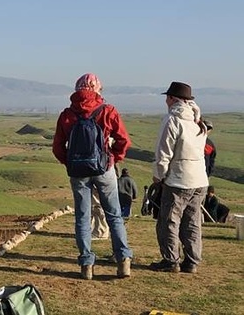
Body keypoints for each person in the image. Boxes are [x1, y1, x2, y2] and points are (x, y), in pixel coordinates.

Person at [52, 73, 133, 280]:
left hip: (78, 172)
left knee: (82, 217)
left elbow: (58, 147)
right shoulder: (107, 111)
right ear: (97, 89)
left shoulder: (67, 114)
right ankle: (123, 260)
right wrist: (113, 158)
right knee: (114, 215)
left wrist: (69, 163)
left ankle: (86, 264)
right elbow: (124, 140)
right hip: (104, 170)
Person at [150, 81, 209, 274]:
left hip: (179, 179)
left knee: (169, 220)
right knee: (192, 221)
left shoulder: (172, 120)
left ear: (173, 99)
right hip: (200, 179)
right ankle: (192, 260)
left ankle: (170, 260)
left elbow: (163, 153)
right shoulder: (197, 121)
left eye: (167, 97)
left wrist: (158, 176)